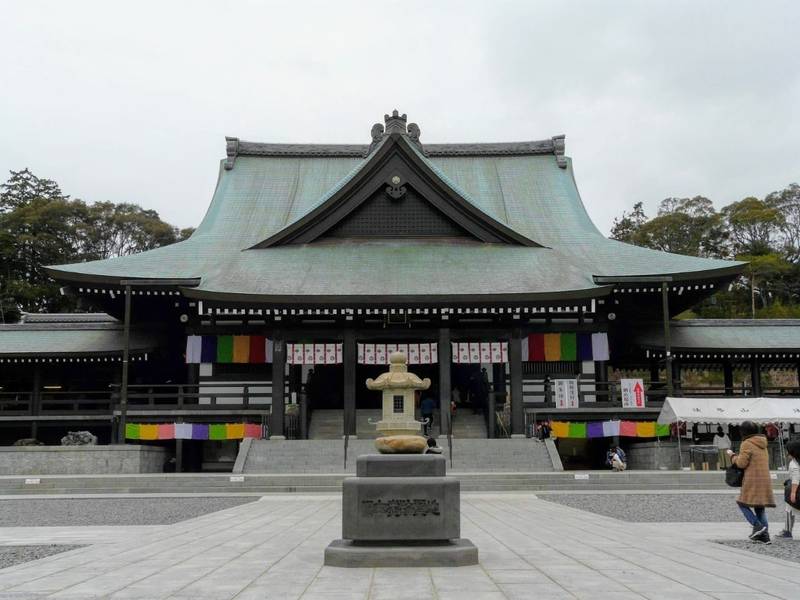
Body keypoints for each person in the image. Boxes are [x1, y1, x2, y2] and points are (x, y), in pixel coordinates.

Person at [727, 421, 776, 544]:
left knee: (742, 503)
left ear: (743, 432)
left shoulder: (747, 443)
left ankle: (757, 526)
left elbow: (741, 463)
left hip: (752, 479)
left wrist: (732, 456)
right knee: (760, 508)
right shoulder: (762, 442)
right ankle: (764, 537)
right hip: (764, 478)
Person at [778, 439, 800, 539]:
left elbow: (796, 479)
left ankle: (787, 531)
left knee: (789, 509)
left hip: (797, 490)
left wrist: (793, 493)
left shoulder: (793, 463)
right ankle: (787, 531)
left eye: (788, 450)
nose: (786, 453)